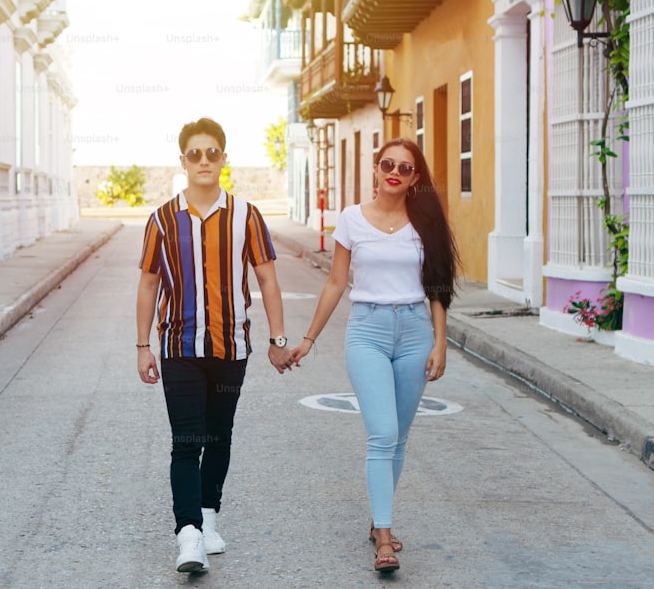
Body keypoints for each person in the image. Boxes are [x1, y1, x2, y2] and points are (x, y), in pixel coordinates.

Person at [290, 138, 460, 573]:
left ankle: (377, 518)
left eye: (405, 168)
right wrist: (309, 339)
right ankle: (384, 536)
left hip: (415, 333)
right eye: (388, 164)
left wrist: (440, 342)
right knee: (382, 432)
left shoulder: (426, 223)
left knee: (398, 437)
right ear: (376, 168)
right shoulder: (351, 219)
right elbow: (335, 283)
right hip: (367, 331)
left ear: (415, 178)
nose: (395, 172)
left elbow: (437, 288)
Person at [136, 116, 295, 574]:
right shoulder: (162, 219)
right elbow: (148, 285)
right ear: (182, 160)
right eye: (194, 154)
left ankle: (207, 519)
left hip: (232, 348)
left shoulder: (247, 214)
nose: (203, 161)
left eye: (212, 153)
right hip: (179, 346)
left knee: (219, 436)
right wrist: (142, 346)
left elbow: (267, 278)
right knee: (186, 440)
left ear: (224, 158)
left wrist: (277, 340)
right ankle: (187, 535)